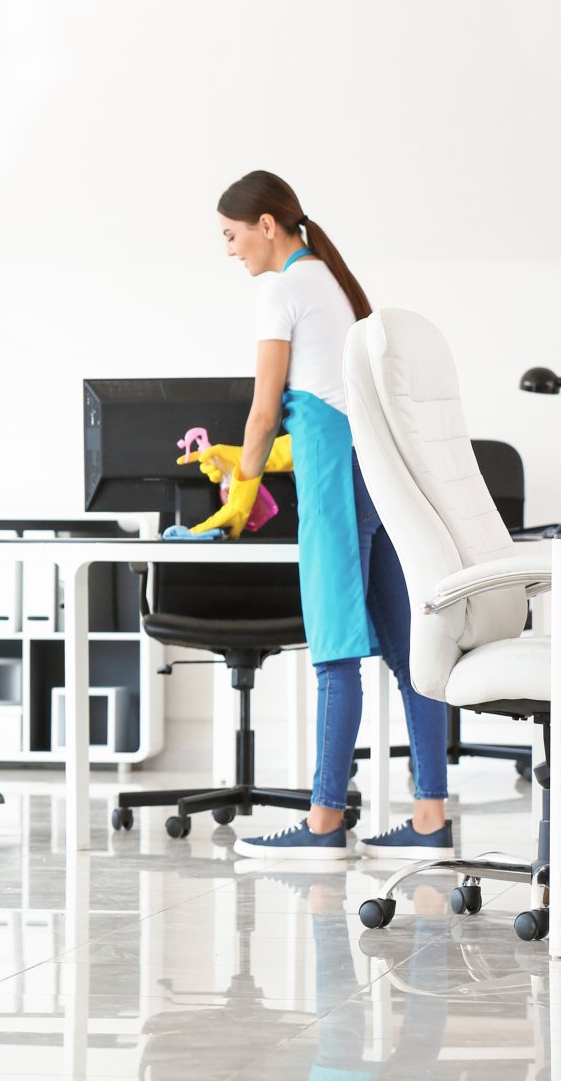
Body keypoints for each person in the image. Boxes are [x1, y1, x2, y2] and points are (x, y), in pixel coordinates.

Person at [185, 170, 452, 860]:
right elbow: (312, 410)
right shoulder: (327, 279)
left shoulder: (281, 289)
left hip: (336, 480)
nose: (229, 250)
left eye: (231, 234)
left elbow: (266, 407)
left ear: (266, 225)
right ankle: (430, 818)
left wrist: (239, 485)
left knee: (334, 651)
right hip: (371, 472)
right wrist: (250, 462)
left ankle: (325, 822)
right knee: (412, 657)